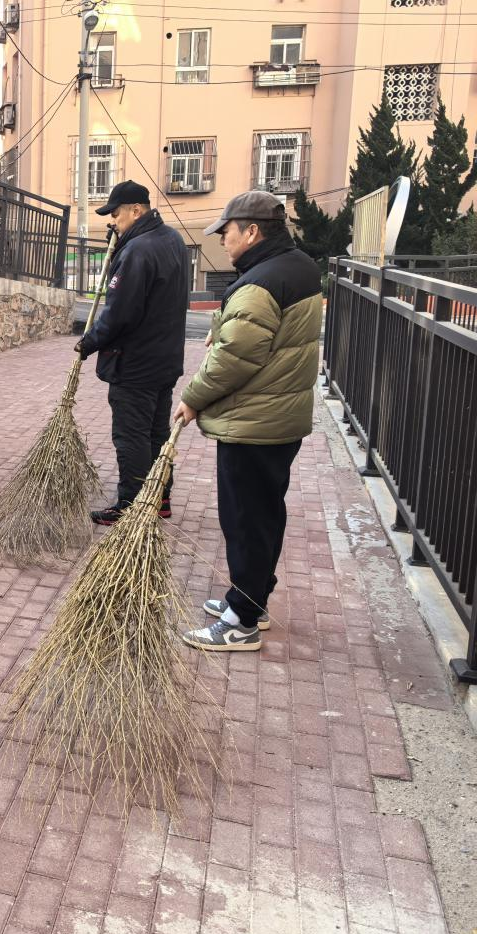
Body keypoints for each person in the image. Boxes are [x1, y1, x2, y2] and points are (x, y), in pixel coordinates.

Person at [175, 191, 322, 651]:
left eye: (227, 232)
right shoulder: (299, 267)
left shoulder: (261, 282)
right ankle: (249, 600)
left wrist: (193, 398)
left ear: (252, 231)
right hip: (277, 416)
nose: (224, 240)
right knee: (261, 514)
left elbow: (236, 358)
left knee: (245, 518)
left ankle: (241, 622)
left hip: (254, 420)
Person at [75, 180, 189, 525]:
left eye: (117, 213)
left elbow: (120, 312)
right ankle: (160, 496)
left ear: (136, 211)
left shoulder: (138, 250)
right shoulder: (173, 240)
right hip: (164, 358)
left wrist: (88, 342)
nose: (113, 221)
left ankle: (132, 503)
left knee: (132, 435)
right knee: (156, 432)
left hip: (135, 362)